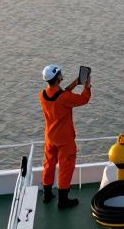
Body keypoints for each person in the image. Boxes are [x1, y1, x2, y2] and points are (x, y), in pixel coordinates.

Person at [38, 63, 91, 209]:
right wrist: (87, 87)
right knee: (65, 167)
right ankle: (63, 200)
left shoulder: (42, 95)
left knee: (49, 164)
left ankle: (47, 194)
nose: (62, 74)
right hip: (64, 139)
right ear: (57, 78)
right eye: (60, 73)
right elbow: (83, 99)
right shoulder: (64, 98)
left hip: (50, 137)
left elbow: (60, 94)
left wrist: (75, 83)